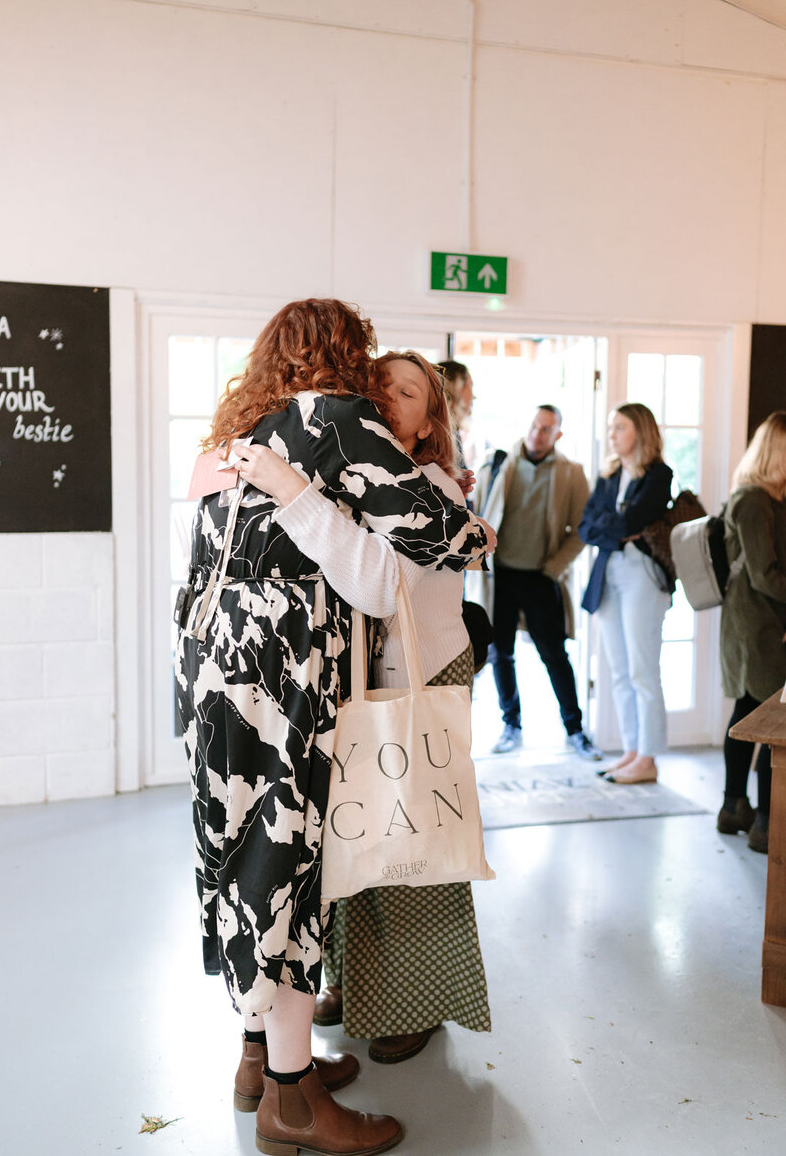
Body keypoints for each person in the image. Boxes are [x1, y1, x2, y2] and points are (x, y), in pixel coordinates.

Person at [175, 300, 491, 1156]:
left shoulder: (239, 438)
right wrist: (468, 522)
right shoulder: (338, 422)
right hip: (284, 687)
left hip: (212, 680)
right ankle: (292, 1099)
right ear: (345, 357)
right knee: (283, 874)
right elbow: (448, 542)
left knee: (238, 863)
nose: (377, 388)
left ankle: (262, 1059)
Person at [238, 350, 493, 1063]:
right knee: (361, 841)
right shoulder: (361, 476)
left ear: (428, 422)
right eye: (379, 381)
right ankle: (360, 985)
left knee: (416, 844)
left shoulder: (434, 484)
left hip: (425, 671)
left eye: (408, 390)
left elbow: (384, 587)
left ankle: (424, 999)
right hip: (369, 676)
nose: (388, 393)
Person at [471, 405, 601, 759]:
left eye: (546, 429)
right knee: (501, 654)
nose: (537, 433)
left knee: (555, 654)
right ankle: (511, 724)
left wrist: (554, 567)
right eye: (534, 425)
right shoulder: (497, 465)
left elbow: (582, 530)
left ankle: (575, 729)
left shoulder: (571, 474)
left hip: (541, 577)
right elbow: (475, 513)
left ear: (557, 434)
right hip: (500, 577)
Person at [579, 403, 673, 785]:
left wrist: (614, 526)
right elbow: (587, 526)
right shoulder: (609, 472)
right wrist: (614, 527)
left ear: (641, 431)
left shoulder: (658, 474)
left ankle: (648, 758)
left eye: (620, 427)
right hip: (609, 572)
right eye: (611, 427)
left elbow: (631, 520)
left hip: (642, 574)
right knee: (618, 669)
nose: (612, 434)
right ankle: (632, 751)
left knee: (641, 669)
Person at [717, 411, 786, 854]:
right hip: (761, 626)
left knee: (748, 712)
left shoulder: (759, 500)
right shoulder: (755, 502)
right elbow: (765, 575)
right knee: (773, 724)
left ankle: (734, 808)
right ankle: (764, 821)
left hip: (751, 625)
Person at [437, 358, 474, 469]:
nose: (474, 396)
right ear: (455, 390)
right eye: (470, 386)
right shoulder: (443, 437)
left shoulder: (450, 433)